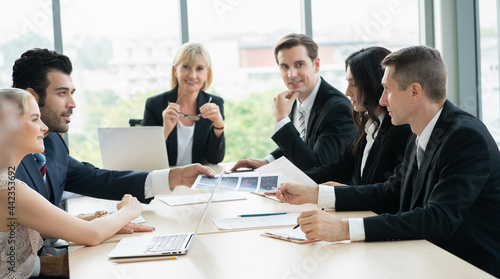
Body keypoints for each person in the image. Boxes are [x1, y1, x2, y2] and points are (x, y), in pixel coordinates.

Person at [273, 45, 500, 277]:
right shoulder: (420, 132)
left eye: (387, 90)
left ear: (414, 92)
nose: (381, 99)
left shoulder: (465, 138)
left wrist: (344, 229)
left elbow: (438, 219)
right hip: (424, 258)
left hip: (466, 269)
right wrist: (314, 194)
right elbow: (389, 192)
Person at [11, 48, 215, 278]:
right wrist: (125, 212)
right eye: (62, 93)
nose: (73, 103)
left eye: (72, 92)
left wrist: (174, 177)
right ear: (33, 97)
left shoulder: (53, 143)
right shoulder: (10, 164)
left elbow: (99, 179)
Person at [0, 88, 144, 279]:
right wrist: (128, 210)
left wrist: (101, 220)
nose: (44, 127)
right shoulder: (9, 188)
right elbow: (92, 235)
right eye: (35, 119)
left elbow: (40, 225)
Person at [231, 33, 355, 172]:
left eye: (299, 64)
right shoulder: (296, 99)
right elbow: (299, 145)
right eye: (285, 67)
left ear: (316, 65)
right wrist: (268, 161)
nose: (291, 74)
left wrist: (282, 121)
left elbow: (314, 167)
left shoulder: (338, 109)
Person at [305, 47, 412, 186]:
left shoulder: (400, 130)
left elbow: (387, 194)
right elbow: (339, 168)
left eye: (354, 84)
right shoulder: (369, 126)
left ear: (376, 82)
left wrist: (339, 193)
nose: (347, 92)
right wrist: (290, 181)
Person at [143, 42, 225, 166]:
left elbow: (214, 159)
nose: (192, 75)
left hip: (198, 179)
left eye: (199, 68)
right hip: (166, 178)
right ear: (175, 70)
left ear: (207, 74)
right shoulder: (154, 104)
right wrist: (165, 131)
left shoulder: (215, 104)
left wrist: (219, 125)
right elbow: (147, 158)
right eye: (186, 67)